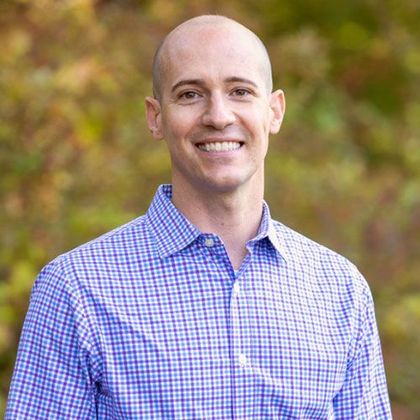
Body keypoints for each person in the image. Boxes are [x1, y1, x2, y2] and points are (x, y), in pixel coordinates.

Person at [6, 15, 391, 419]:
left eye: (240, 91)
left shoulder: (341, 290)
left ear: (274, 111)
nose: (218, 115)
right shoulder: (75, 289)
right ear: (156, 117)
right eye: (190, 95)